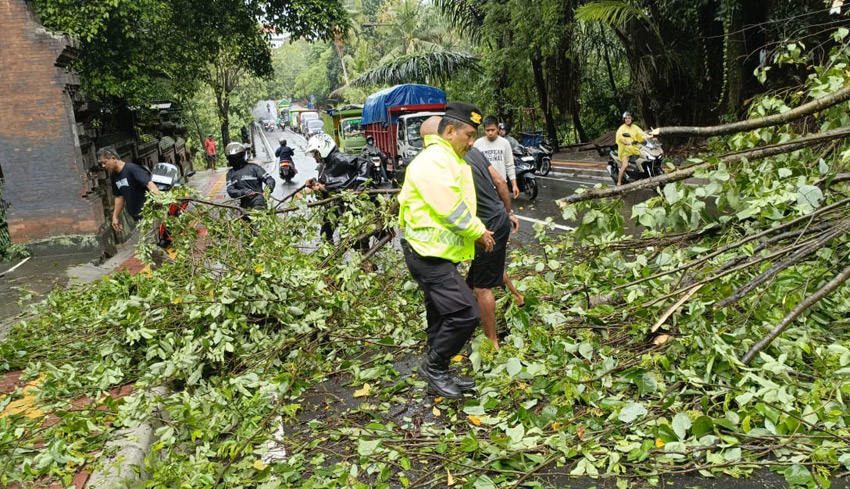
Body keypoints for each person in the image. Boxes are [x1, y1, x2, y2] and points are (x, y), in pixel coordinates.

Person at [398, 101, 496, 399]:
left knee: (441, 313)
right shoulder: (433, 161)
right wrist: (478, 232)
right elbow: (449, 208)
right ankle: (435, 367)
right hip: (427, 255)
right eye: (468, 135)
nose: (471, 142)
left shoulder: (448, 157)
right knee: (466, 313)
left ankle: (439, 369)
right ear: (450, 131)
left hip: (436, 252)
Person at [422, 119, 525, 350]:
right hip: (496, 219)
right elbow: (499, 181)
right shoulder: (475, 151)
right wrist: (509, 212)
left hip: (484, 228)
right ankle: (517, 298)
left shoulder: (447, 161)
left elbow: (446, 204)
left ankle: (492, 341)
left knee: (481, 287)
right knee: (484, 272)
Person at [304, 133, 370, 244]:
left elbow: (364, 163)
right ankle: (330, 258)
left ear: (322, 150)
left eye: (315, 154)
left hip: (346, 205)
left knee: (355, 237)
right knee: (326, 233)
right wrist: (315, 184)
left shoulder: (340, 159)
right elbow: (328, 184)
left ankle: (364, 259)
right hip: (333, 206)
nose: (315, 158)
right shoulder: (324, 164)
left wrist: (359, 187)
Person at [98, 148, 160, 232]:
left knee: (150, 242)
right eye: (101, 164)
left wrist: (161, 202)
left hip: (149, 214)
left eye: (104, 162)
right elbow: (119, 196)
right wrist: (115, 217)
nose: (103, 166)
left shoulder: (132, 169)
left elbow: (150, 185)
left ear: (113, 158)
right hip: (137, 217)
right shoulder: (114, 176)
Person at [474, 116, 519, 199]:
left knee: (503, 210)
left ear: (497, 129)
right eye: (488, 130)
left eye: (493, 130)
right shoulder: (477, 144)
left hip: (501, 187)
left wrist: (514, 185)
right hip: (484, 188)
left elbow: (510, 166)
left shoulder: (505, 143)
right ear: (484, 129)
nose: (490, 133)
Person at [225, 142, 275, 210]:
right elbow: (230, 190)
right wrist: (243, 192)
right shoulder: (230, 174)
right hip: (243, 206)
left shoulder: (254, 168)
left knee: (258, 213)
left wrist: (268, 189)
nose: (233, 161)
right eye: (231, 158)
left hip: (258, 202)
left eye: (235, 158)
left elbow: (269, 179)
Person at [616, 111, 658, 186]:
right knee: (625, 164)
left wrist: (651, 137)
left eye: (629, 118)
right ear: (624, 119)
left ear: (631, 119)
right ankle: (619, 182)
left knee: (644, 158)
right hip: (625, 150)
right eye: (626, 118)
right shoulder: (621, 128)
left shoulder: (635, 127)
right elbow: (620, 137)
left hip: (635, 148)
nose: (628, 120)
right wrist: (625, 142)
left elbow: (642, 134)